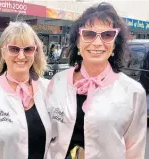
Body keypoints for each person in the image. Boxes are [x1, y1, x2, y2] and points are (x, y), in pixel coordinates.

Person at [46, 2, 147, 159]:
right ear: (78, 42)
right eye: (89, 34)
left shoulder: (133, 92)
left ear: (115, 44)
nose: (98, 43)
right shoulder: (58, 82)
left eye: (107, 35)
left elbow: (135, 151)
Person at [0, 21, 51, 159]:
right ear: (3, 52)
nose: (21, 56)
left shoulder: (49, 90)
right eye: (14, 49)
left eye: (28, 49)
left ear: (35, 52)